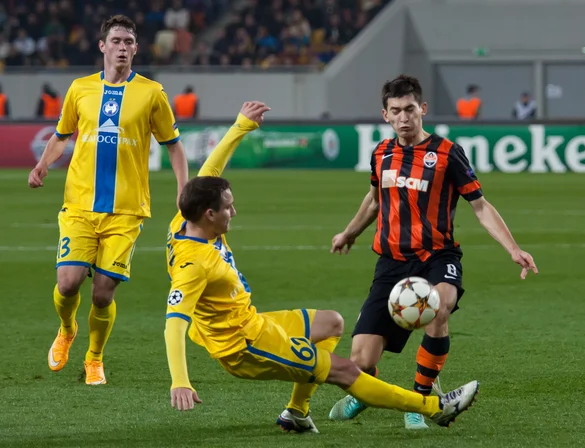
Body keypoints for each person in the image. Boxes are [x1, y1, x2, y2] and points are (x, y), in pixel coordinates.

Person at [163, 101, 479, 433]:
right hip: (244, 345)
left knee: (331, 323)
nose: (234, 212)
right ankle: (434, 407)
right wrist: (180, 381)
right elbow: (174, 324)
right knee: (345, 371)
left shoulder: (185, 218)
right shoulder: (194, 265)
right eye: (228, 208)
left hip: (251, 321)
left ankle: (296, 412)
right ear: (209, 215)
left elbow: (210, 170)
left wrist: (241, 125)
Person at [327, 74, 537, 429]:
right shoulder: (382, 153)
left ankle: (420, 399)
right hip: (392, 261)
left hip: (438, 257)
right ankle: (368, 391)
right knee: (360, 362)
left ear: (422, 109)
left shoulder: (447, 153)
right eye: (396, 111)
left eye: (410, 109)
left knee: (439, 308)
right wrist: (349, 233)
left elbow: (480, 205)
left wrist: (513, 248)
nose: (404, 117)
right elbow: (376, 200)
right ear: (386, 115)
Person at [27, 15, 189, 385]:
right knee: (67, 283)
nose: (122, 47)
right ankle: (67, 329)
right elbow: (62, 134)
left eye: (129, 42)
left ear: (136, 49)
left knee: (102, 293)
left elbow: (174, 147)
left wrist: (184, 188)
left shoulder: (152, 93)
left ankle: (94, 358)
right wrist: (43, 164)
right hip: (80, 205)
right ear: (102, 46)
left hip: (126, 210)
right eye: (116, 40)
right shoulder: (80, 89)